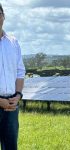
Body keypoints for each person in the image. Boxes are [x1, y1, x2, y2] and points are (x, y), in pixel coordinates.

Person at [0, 3, 25, 150]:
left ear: (4, 16)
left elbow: (20, 72)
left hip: (11, 105)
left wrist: (18, 95)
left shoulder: (13, 42)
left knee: (10, 147)